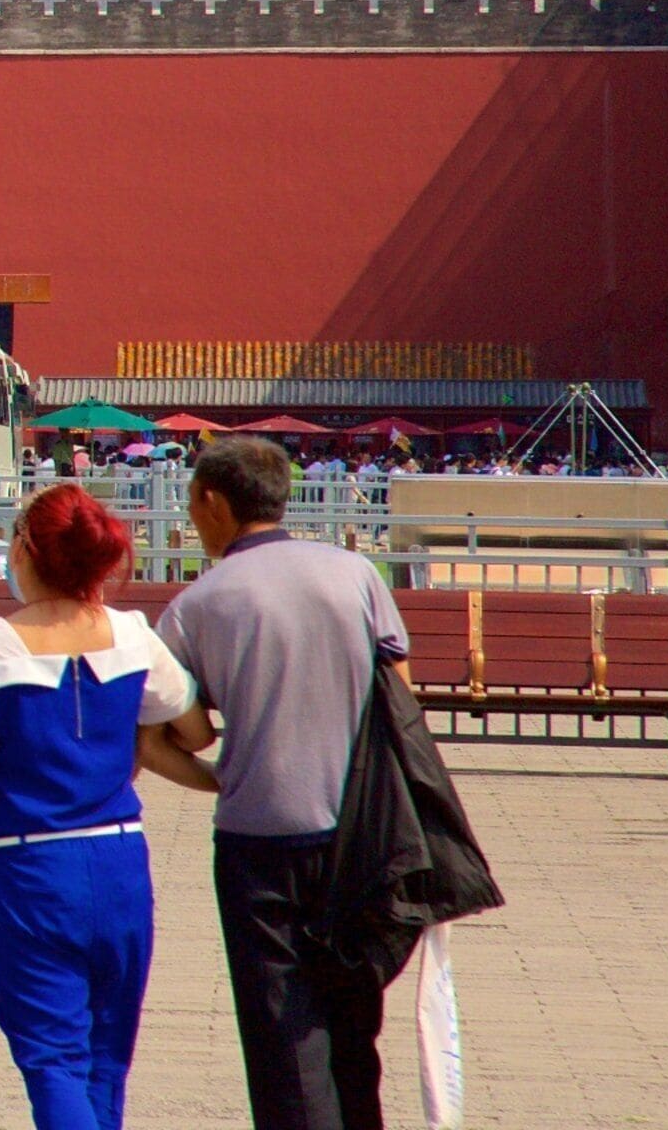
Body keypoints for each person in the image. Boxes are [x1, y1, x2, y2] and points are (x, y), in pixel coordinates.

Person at [151, 437, 408, 1130]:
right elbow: (399, 697)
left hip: (259, 834)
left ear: (211, 501)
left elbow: (164, 731)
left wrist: (215, 775)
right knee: (356, 1024)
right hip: (363, 832)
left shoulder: (197, 604)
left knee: (284, 1036)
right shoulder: (355, 575)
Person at [0, 484, 201, 1130]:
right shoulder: (133, 634)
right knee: (106, 1058)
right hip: (119, 857)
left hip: (30, 868)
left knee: (51, 1057)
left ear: (27, 551)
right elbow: (193, 727)